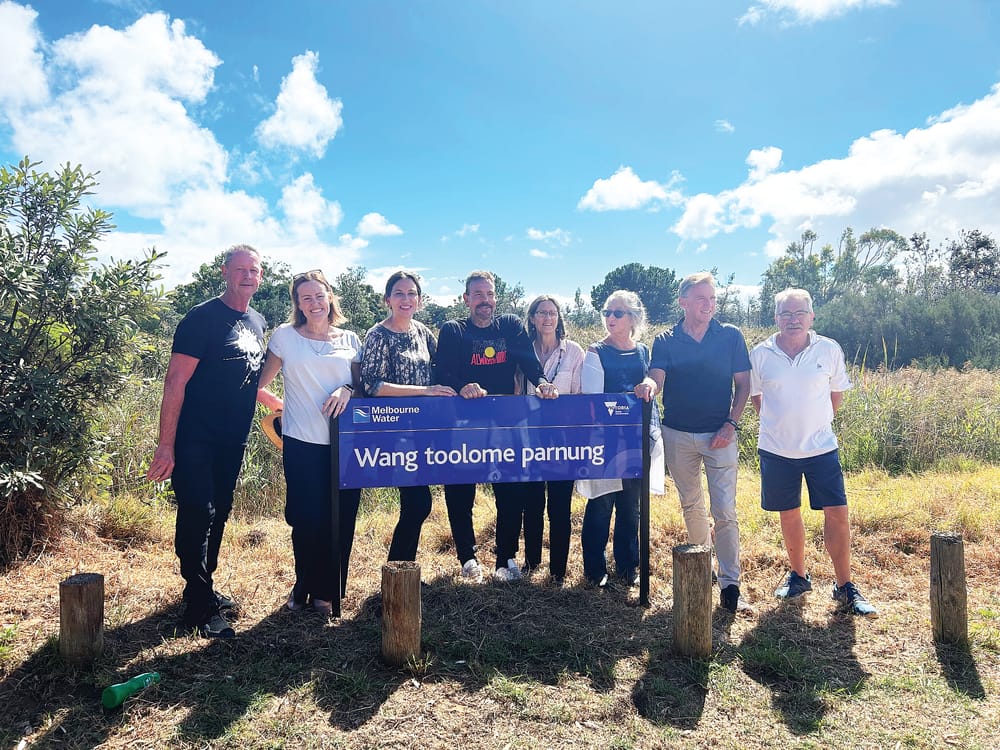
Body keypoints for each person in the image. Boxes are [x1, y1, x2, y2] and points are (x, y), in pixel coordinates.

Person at [147, 244, 270, 638]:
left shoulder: (257, 320)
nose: (247, 275)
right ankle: (198, 609)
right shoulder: (201, 318)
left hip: (233, 439)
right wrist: (167, 445)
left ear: (261, 276)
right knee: (199, 512)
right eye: (240, 269)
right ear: (224, 272)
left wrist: (283, 403)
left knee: (219, 513)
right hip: (196, 436)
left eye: (254, 270)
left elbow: (247, 379)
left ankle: (202, 590)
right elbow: (175, 381)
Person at [749, 288, 877, 617]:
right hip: (776, 450)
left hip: (821, 449)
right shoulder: (761, 354)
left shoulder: (829, 349)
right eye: (785, 314)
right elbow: (756, 398)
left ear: (811, 316)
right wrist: (783, 426)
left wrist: (814, 424)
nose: (793, 320)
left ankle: (844, 585)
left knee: (837, 512)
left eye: (799, 313)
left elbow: (836, 396)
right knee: (789, 513)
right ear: (775, 318)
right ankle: (799, 576)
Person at [436, 270, 559, 582]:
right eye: (478, 295)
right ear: (466, 299)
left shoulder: (510, 326)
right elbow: (443, 373)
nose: (485, 301)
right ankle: (467, 558)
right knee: (461, 491)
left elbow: (529, 362)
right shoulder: (453, 330)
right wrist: (463, 385)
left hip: (506, 424)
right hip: (464, 426)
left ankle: (505, 559)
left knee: (510, 492)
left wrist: (542, 383)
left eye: (489, 295)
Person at [644, 272, 752, 613]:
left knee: (724, 510)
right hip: (677, 435)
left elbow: (744, 386)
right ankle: (702, 568)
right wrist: (648, 385)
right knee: (692, 505)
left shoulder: (731, 336)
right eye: (702, 299)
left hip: (720, 434)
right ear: (684, 302)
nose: (709, 305)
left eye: (713, 299)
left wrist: (731, 424)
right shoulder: (665, 339)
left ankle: (730, 583)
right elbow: (657, 377)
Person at [257, 269, 362, 619]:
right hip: (301, 442)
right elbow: (259, 382)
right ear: (298, 304)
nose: (314, 303)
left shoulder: (351, 339)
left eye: (319, 295)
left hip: (344, 445)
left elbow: (364, 387)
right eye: (306, 297)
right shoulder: (285, 337)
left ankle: (329, 593)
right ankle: (303, 585)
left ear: (330, 296)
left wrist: (347, 390)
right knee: (305, 518)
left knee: (340, 518)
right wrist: (278, 406)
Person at [361, 271, 456, 563]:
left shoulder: (423, 332)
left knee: (415, 504)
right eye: (399, 293)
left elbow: (441, 371)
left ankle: (402, 572)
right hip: (394, 432)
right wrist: (424, 391)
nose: (406, 299)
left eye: (411, 293)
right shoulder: (378, 335)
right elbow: (371, 385)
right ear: (387, 299)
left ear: (420, 299)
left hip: (424, 432)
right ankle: (398, 570)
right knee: (418, 502)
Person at [578, 290, 654, 588]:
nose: (610, 318)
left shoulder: (643, 351)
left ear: (633, 317)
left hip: (635, 440)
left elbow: (651, 388)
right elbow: (593, 400)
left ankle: (628, 566)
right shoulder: (596, 352)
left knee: (630, 506)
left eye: (618, 313)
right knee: (600, 504)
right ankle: (594, 569)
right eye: (607, 312)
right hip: (604, 440)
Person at [515, 295, 585, 585]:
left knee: (559, 505)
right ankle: (532, 563)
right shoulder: (522, 353)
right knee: (531, 503)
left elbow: (580, 396)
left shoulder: (574, 353)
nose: (547, 318)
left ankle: (558, 571)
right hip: (529, 438)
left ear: (559, 318)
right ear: (532, 319)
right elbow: (517, 392)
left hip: (563, 440)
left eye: (552, 313)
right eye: (541, 313)